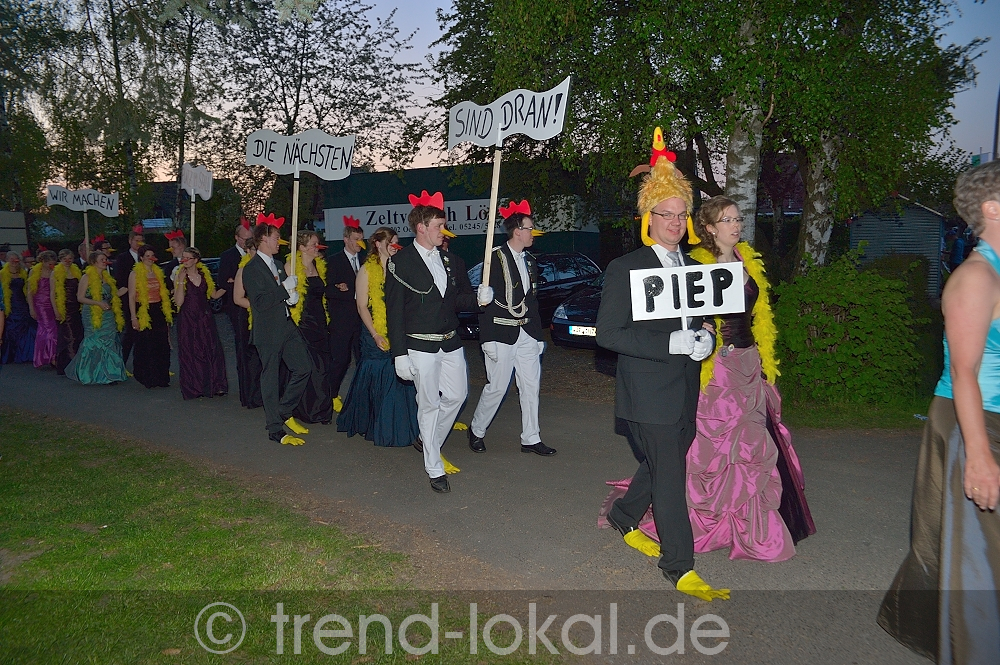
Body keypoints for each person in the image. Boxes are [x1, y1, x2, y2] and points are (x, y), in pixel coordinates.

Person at [595, 128, 726, 601]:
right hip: (647, 393)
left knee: (660, 463)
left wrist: (705, 340)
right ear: (648, 218)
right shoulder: (626, 268)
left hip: (685, 389)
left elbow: (704, 324)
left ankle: (623, 515)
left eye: (680, 214)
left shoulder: (695, 268)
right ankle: (679, 565)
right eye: (665, 214)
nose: (674, 222)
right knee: (671, 476)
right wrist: (671, 343)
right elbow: (608, 334)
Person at [878, 159, 1000, 663]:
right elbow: (965, 372)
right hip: (973, 423)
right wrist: (979, 456)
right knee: (979, 557)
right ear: (992, 208)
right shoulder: (976, 277)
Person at [684, 196, 815, 561]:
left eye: (738, 219)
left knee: (752, 446)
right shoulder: (697, 265)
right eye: (727, 220)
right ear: (709, 228)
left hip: (749, 361)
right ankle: (714, 519)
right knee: (720, 445)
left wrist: (762, 358)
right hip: (718, 366)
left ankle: (750, 521)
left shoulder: (747, 260)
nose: (736, 225)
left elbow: (760, 316)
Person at [385, 191, 479, 493]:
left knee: (457, 396)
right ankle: (434, 468)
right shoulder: (399, 263)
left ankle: (428, 439)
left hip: (451, 342)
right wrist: (399, 354)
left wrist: (480, 298)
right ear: (421, 227)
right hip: (419, 345)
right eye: (438, 226)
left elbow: (459, 300)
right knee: (428, 405)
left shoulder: (453, 261)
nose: (444, 231)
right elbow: (394, 312)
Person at [468, 200, 555, 456]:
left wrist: (537, 336)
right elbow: (486, 303)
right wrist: (487, 339)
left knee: (531, 386)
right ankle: (477, 429)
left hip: (526, 332)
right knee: (497, 387)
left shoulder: (529, 261)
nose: (532, 233)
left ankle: (531, 437)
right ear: (518, 231)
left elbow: (532, 301)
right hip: (500, 332)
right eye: (529, 229)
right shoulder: (494, 259)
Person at [338, 227, 420, 447]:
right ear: (377, 243)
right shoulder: (367, 270)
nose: (395, 246)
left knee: (400, 375)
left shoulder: (398, 267)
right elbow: (361, 306)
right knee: (379, 372)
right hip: (374, 331)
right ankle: (376, 423)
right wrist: (375, 333)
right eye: (390, 242)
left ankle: (402, 424)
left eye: (396, 242)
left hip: (398, 330)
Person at [241, 214, 312, 445]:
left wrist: (291, 298)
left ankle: (283, 410)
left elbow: (281, 295)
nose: (279, 242)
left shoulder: (278, 265)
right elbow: (260, 303)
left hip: (286, 325)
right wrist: (283, 290)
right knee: (270, 378)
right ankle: (274, 428)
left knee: (304, 367)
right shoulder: (251, 269)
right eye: (276, 238)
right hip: (268, 331)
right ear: (263, 239)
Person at [283, 231, 333, 424]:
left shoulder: (319, 264)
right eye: (313, 244)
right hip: (303, 323)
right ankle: (307, 410)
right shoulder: (291, 266)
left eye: (317, 243)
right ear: (302, 247)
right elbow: (289, 298)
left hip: (320, 321)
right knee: (310, 366)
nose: (317, 247)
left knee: (323, 366)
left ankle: (322, 409)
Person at [173, 246, 227, 399]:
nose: (184, 261)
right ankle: (195, 387)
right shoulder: (180, 275)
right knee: (191, 351)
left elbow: (214, 295)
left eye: (187, 258)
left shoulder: (204, 274)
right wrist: (181, 281)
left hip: (205, 318)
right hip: (188, 319)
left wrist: (229, 285)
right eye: (183, 258)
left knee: (211, 349)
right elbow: (178, 302)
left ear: (196, 260)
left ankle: (215, 385)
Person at [65, 251, 127, 384]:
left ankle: (110, 374)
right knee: (93, 341)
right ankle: (89, 373)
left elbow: (110, 296)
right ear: (94, 262)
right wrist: (98, 303)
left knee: (109, 341)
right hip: (92, 313)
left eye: (105, 259)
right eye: (102, 259)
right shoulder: (86, 277)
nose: (105, 261)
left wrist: (120, 293)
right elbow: (80, 298)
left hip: (108, 314)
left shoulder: (107, 277)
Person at [327, 216, 366, 411]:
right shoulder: (333, 261)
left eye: (361, 239)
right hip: (342, 321)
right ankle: (331, 395)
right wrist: (344, 290)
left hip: (362, 320)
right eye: (356, 239)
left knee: (363, 360)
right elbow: (327, 290)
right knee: (340, 361)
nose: (360, 243)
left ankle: (361, 397)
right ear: (346, 239)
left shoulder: (365, 261)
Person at [219, 218, 259, 408]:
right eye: (244, 239)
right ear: (237, 238)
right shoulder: (228, 256)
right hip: (238, 309)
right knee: (243, 347)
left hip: (257, 308)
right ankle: (247, 388)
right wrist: (237, 283)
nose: (247, 242)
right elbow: (223, 281)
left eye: (250, 238)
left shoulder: (258, 255)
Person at [128, 245, 172, 388]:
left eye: (152, 255)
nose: (150, 258)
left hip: (158, 310)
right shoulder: (135, 274)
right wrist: (133, 317)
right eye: (147, 256)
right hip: (143, 310)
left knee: (161, 344)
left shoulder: (158, 272)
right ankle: (148, 377)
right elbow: (131, 296)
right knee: (146, 345)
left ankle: (161, 377)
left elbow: (163, 293)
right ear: (141, 257)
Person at [231, 234, 264, 409]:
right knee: (251, 357)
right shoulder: (243, 270)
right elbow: (238, 299)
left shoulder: (266, 267)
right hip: (248, 317)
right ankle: (252, 395)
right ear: (248, 251)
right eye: (254, 250)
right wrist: (259, 306)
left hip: (264, 317)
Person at [113, 225, 144, 365]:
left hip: (144, 300)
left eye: (140, 241)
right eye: (136, 240)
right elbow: (120, 278)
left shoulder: (145, 257)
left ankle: (141, 363)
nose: (138, 243)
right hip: (128, 299)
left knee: (143, 333)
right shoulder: (122, 258)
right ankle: (120, 362)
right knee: (130, 332)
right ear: (130, 241)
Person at [0, 251, 36, 364]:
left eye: (16, 260)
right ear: (7, 260)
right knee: (11, 327)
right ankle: (12, 354)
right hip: (9, 304)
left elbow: (28, 290)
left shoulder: (23, 273)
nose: (14, 262)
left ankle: (25, 354)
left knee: (26, 326)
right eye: (12, 260)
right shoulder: (2, 274)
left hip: (22, 303)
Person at [53, 249, 84, 375]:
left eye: (70, 258)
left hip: (76, 308)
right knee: (68, 337)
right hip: (64, 308)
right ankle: (69, 365)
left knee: (78, 335)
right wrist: (56, 310)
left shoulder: (76, 271)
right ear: (60, 259)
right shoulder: (55, 272)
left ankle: (76, 364)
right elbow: (52, 294)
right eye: (64, 259)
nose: (67, 261)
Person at [27, 250, 59, 368]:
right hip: (40, 304)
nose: (52, 265)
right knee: (50, 329)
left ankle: (43, 357)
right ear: (43, 261)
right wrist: (31, 308)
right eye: (49, 263)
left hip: (53, 303)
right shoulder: (35, 271)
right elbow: (30, 292)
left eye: (53, 263)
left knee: (44, 330)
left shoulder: (56, 271)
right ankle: (52, 357)